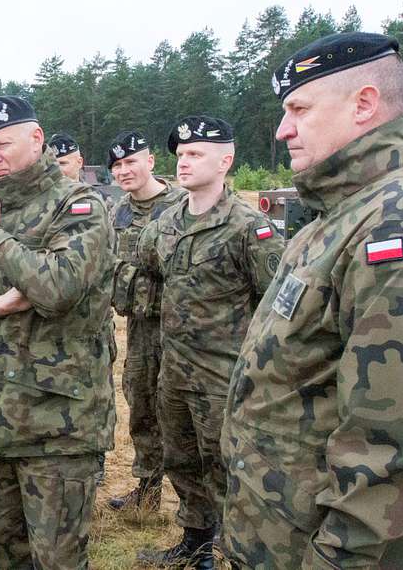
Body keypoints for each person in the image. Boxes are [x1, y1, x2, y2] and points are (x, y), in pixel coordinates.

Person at [222, 32, 403, 569]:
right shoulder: (343, 214)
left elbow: (400, 449)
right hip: (285, 531)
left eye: (299, 108)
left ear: (364, 105)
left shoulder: (400, 225)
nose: (283, 128)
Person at [0, 96, 116, 569]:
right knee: (6, 553)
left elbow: (56, 288)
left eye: (2, 144)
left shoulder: (78, 205)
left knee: (58, 559)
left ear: (37, 139)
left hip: (58, 426)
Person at [135, 115, 283, 569]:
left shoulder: (248, 227)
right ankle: (196, 542)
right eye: (180, 154)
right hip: (174, 370)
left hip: (225, 376)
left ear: (226, 160)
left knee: (226, 466)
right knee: (181, 458)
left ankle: (229, 549)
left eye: (195, 154)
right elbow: (149, 273)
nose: (183, 162)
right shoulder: (165, 223)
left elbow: (274, 300)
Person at [105, 130, 185, 515]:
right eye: (117, 166)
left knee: (183, 413)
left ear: (150, 162)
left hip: (180, 328)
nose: (124, 170)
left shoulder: (181, 204)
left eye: (131, 161)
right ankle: (149, 488)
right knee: (140, 405)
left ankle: (198, 506)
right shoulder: (116, 210)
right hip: (138, 327)